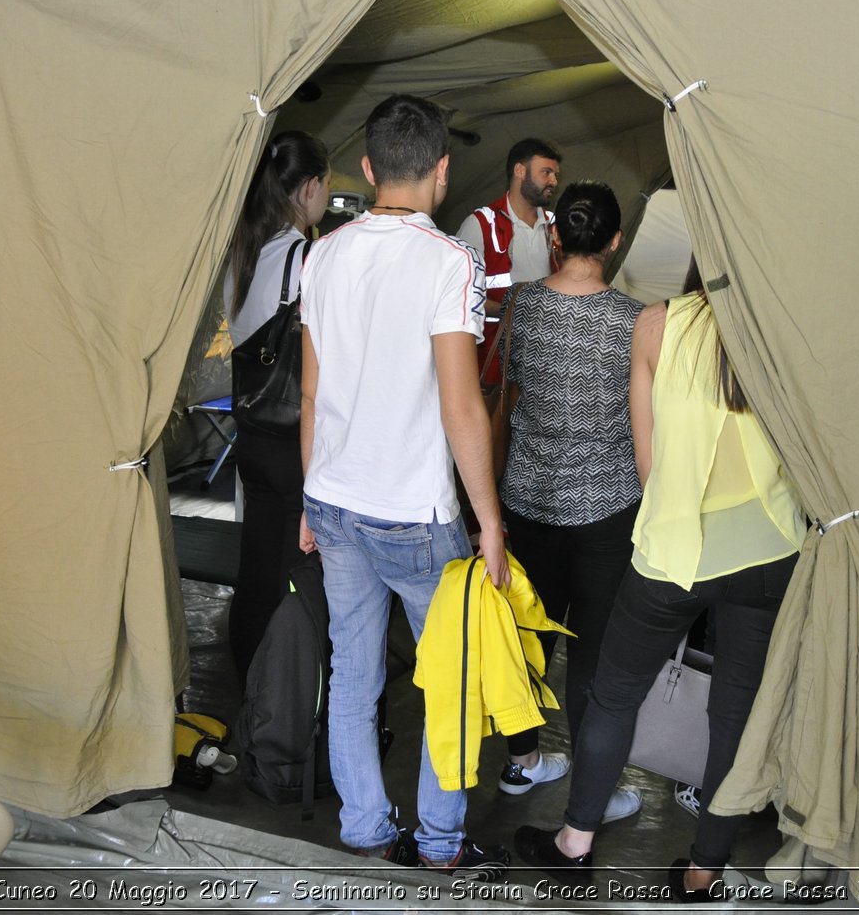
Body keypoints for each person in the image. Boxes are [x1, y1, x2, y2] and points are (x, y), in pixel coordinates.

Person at [514, 264, 809, 902]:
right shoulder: (791, 327)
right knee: (736, 714)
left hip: (676, 552)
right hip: (771, 552)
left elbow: (648, 466)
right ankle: (704, 870)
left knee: (615, 696)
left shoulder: (658, 325)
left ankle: (575, 844)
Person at [298, 94, 511, 880]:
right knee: (450, 685)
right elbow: (462, 405)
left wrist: (307, 496)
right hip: (416, 517)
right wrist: (488, 520)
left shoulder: (323, 254)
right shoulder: (452, 263)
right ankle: (440, 845)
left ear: (366, 166)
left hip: (336, 503)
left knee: (352, 673)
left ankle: (364, 830)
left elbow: (312, 395)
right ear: (443, 170)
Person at [493, 181, 644, 830]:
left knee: (523, 640)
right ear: (614, 242)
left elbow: (505, 400)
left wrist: (489, 499)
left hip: (527, 501)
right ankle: (593, 795)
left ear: (557, 237)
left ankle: (522, 760)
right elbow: (646, 426)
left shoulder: (523, 306)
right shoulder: (636, 320)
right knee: (594, 660)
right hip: (607, 514)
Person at [223, 130, 329, 688]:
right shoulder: (307, 257)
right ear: (308, 186)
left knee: (257, 564)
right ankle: (284, 696)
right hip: (294, 436)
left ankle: (247, 681)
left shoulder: (241, 251)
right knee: (297, 574)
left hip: (251, 431)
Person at [455, 138, 563, 377]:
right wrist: (513, 311)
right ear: (519, 171)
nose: (554, 181)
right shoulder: (481, 225)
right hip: (494, 365)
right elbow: (458, 299)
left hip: (544, 363)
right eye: (546, 172)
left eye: (555, 174)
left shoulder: (556, 227)